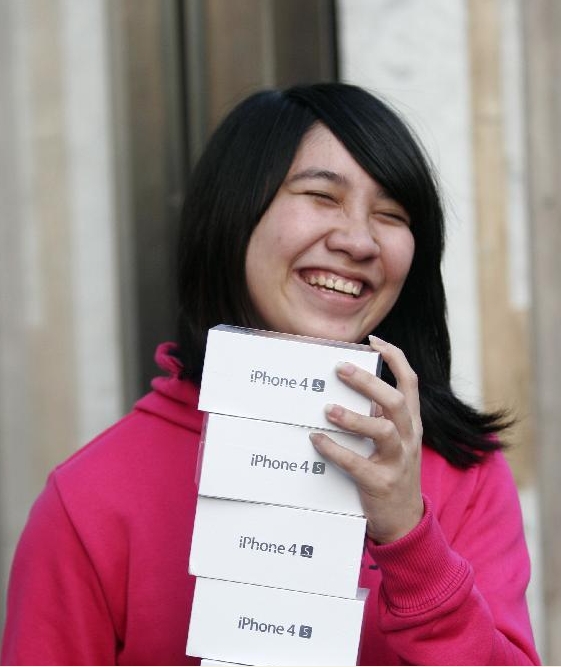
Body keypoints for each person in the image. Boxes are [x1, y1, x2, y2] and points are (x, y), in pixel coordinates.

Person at [1, 82, 540, 666]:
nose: (358, 240)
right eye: (321, 196)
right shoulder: (90, 498)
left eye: (391, 214)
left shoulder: (466, 474)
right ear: (234, 214)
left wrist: (410, 540)